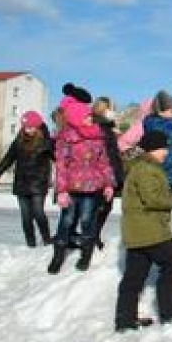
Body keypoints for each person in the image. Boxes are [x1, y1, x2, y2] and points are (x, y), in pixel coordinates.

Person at [114, 130, 172, 331]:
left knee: (134, 277)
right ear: (152, 149)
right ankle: (171, 311)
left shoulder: (143, 168)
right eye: (162, 148)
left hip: (137, 233)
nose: (165, 152)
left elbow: (149, 193)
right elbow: (151, 197)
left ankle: (125, 320)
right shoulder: (147, 169)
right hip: (151, 230)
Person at [49, 83, 115, 274]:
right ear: (76, 118)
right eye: (86, 116)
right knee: (67, 221)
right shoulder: (65, 139)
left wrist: (109, 184)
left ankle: (86, 255)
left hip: (92, 188)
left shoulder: (97, 136)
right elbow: (60, 166)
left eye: (90, 116)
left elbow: (104, 163)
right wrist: (61, 191)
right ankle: (58, 255)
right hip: (71, 189)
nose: (89, 118)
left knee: (88, 221)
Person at [0, 110, 54, 247]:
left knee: (38, 213)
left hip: (38, 184)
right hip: (21, 184)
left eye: (31, 127)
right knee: (26, 217)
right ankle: (30, 244)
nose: (28, 130)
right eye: (25, 127)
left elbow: (58, 158)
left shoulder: (46, 142)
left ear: (37, 127)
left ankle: (47, 239)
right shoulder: (18, 142)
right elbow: (7, 160)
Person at [92, 97, 126, 251]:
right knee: (100, 206)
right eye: (109, 108)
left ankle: (94, 235)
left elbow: (115, 151)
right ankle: (92, 236)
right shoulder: (97, 125)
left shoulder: (109, 127)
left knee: (106, 206)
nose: (112, 112)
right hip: (100, 172)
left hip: (111, 171)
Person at [143, 90, 172, 191]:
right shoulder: (156, 126)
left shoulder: (170, 125)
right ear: (160, 111)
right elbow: (156, 152)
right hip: (163, 174)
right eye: (171, 110)